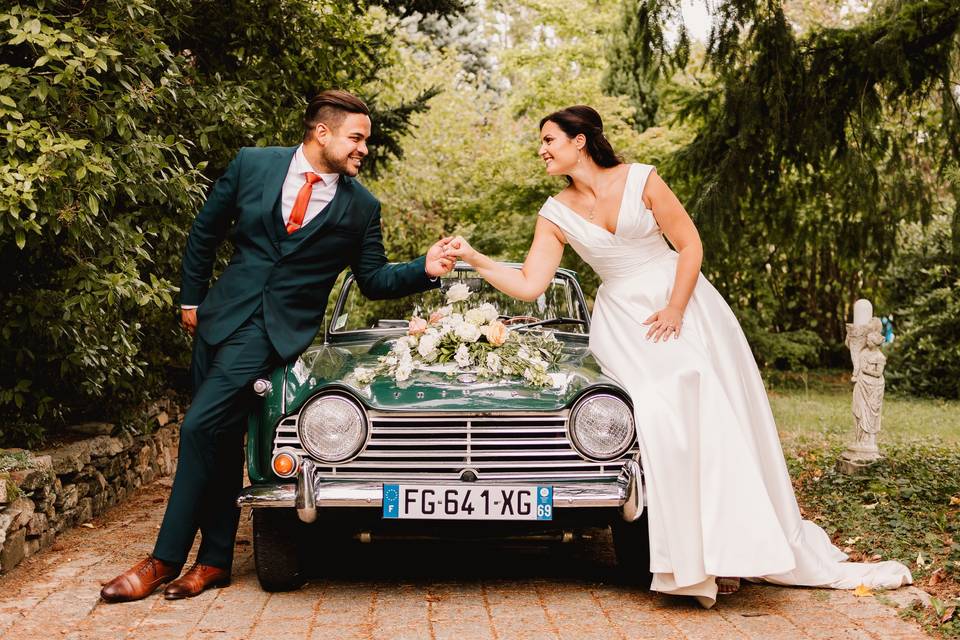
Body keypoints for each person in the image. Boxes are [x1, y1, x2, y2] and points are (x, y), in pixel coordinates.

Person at [440, 105, 912, 608]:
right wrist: (474, 258)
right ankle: (690, 557)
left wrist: (675, 308)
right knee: (661, 422)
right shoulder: (554, 214)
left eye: (549, 139)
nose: (542, 149)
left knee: (705, 404)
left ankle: (731, 551)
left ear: (580, 141)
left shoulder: (642, 179)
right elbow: (530, 285)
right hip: (623, 321)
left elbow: (689, 245)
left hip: (680, 305)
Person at [100, 90, 454, 602]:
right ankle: (215, 562)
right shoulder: (254, 165)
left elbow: (374, 279)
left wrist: (422, 269)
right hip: (217, 321)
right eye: (356, 138)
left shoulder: (361, 208)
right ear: (322, 132)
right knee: (219, 444)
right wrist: (191, 300)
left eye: (367, 141)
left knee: (197, 424)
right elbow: (205, 232)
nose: (364, 149)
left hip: (272, 335)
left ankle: (162, 560)